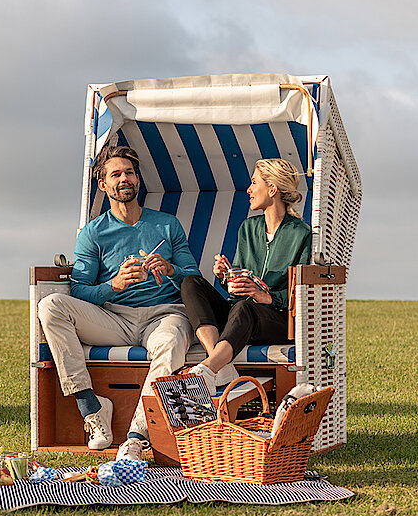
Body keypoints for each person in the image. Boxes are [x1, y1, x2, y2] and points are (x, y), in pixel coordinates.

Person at [38, 144, 200, 460]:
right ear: (104, 184)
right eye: (116, 174)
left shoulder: (167, 225)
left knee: (170, 341)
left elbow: (194, 278)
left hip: (164, 314)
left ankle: (137, 437)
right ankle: (92, 410)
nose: (124, 179)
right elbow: (79, 290)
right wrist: (113, 285)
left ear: (138, 180)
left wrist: (169, 269)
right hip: (114, 318)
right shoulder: (93, 233)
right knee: (51, 305)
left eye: (129, 172)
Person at [180, 158, 312, 395]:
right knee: (191, 283)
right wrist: (226, 276)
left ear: (272, 189)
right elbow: (237, 287)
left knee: (243, 307)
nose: (249, 190)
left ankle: (208, 369)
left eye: (254, 183)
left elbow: (302, 291)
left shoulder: (299, 233)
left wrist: (265, 296)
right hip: (239, 314)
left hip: (276, 319)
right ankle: (223, 366)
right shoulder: (248, 228)